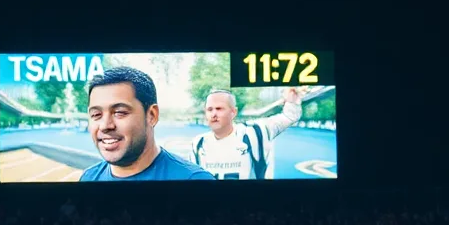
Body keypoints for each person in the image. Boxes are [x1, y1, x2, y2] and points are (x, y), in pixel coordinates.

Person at [80, 67, 215, 182]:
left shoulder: (194, 181)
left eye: (119, 112)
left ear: (152, 115)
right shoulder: (88, 178)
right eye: (96, 115)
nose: (105, 125)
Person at [190, 88, 303, 180]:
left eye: (219, 109)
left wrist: (292, 100)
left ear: (233, 112)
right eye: (209, 109)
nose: (213, 114)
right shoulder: (198, 144)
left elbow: (290, 116)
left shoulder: (255, 132)